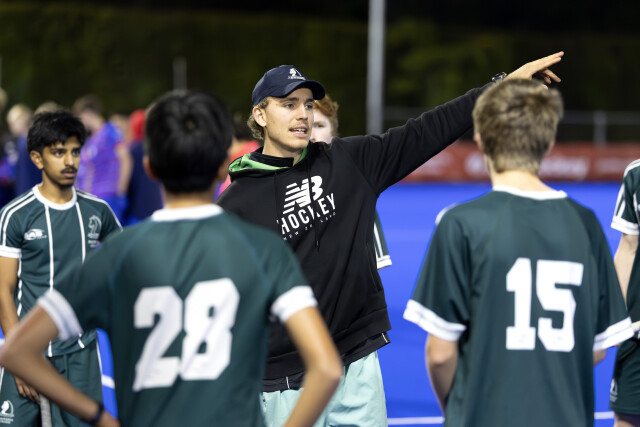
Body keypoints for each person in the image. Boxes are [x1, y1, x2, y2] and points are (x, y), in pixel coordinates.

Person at [217, 54, 565, 426]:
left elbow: (428, 130)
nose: (302, 114)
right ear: (260, 115)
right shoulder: (235, 204)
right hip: (284, 380)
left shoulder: (349, 161)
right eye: (289, 105)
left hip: (357, 363)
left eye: (307, 104)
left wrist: (501, 86)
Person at [0, 90, 342, 427]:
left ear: (149, 167)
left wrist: (99, 417)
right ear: (223, 165)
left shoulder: (118, 255)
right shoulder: (263, 249)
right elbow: (326, 368)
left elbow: (16, 351)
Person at [403, 78, 634, 426]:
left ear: (480, 138)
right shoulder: (585, 223)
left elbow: (439, 355)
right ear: (549, 141)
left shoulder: (460, 223)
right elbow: (598, 346)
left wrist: (459, 409)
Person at [0, 110, 122, 426]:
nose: (70, 161)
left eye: (75, 152)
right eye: (58, 152)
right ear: (37, 159)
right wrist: (18, 359)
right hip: (29, 349)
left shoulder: (99, 211)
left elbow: (124, 268)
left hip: (81, 354)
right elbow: (3, 289)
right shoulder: (15, 215)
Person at [311, 93, 391, 269]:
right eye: (306, 126)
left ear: (333, 133)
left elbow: (369, 270)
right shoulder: (274, 184)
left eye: (319, 125)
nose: (312, 134)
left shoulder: (355, 187)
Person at [610, 159, 640, 426]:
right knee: (626, 418)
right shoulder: (636, 174)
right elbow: (628, 247)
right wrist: (615, 317)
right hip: (638, 333)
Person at [72, 95, 130, 221]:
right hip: (93, 200)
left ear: (86, 113)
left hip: (109, 198)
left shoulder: (111, 131)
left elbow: (125, 160)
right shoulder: (91, 140)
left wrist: (121, 192)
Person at [122, 109, 162, 225]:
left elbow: (127, 182)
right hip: (156, 207)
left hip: (136, 211)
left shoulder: (132, 150)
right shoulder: (158, 148)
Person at [6, 103, 39, 195]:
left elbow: (24, 177)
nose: (11, 127)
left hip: (27, 193)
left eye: (13, 123)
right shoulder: (34, 139)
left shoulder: (23, 142)